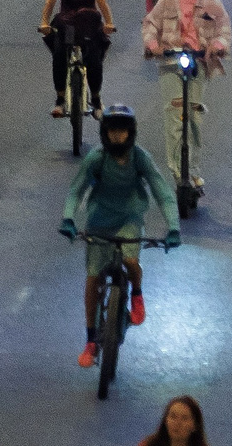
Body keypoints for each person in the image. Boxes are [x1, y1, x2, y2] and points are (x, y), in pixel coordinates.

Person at [61, 105, 182, 366]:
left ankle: (136, 294)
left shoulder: (140, 158)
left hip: (129, 219)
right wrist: (68, 218)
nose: (118, 136)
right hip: (99, 222)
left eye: (122, 131)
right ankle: (91, 341)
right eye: (113, 131)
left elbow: (162, 192)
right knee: (93, 278)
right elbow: (76, 190)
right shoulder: (96, 158)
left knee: (130, 260)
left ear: (131, 132)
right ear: (105, 133)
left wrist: (173, 227)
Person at [140, 0, 231, 187]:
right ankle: (177, 171)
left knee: (194, 118)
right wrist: (154, 46)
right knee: (174, 117)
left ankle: (193, 170)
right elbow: (150, 24)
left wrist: (217, 46)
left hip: (198, 62)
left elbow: (223, 29)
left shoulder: (211, 0)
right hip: (171, 62)